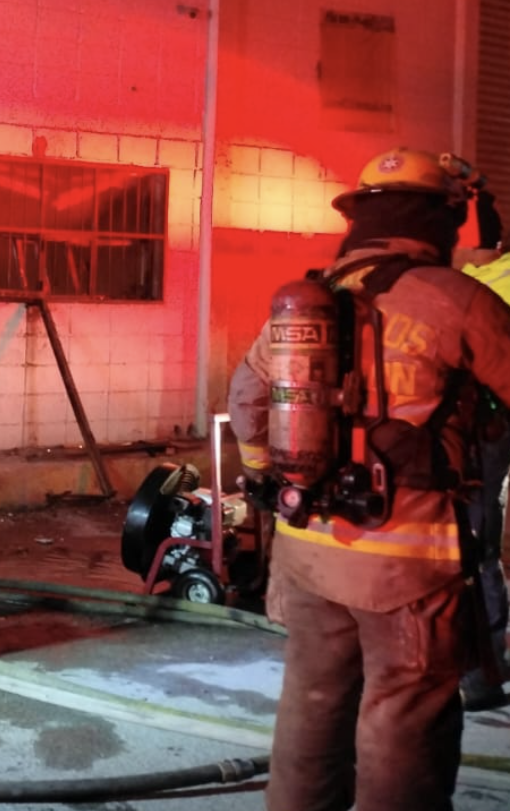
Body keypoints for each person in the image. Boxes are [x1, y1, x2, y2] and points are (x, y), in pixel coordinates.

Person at [227, 146, 510, 811]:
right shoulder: (454, 299)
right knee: (402, 718)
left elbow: (246, 400)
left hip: (307, 553)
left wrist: (274, 480)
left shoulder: (309, 301)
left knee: (313, 704)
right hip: (406, 561)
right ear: (442, 218)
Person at [457, 201, 510, 712]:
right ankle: (489, 659)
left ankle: (480, 671)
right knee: (483, 543)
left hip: (474, 430)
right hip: (490, 431)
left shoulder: (478, 287)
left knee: (469, 546)